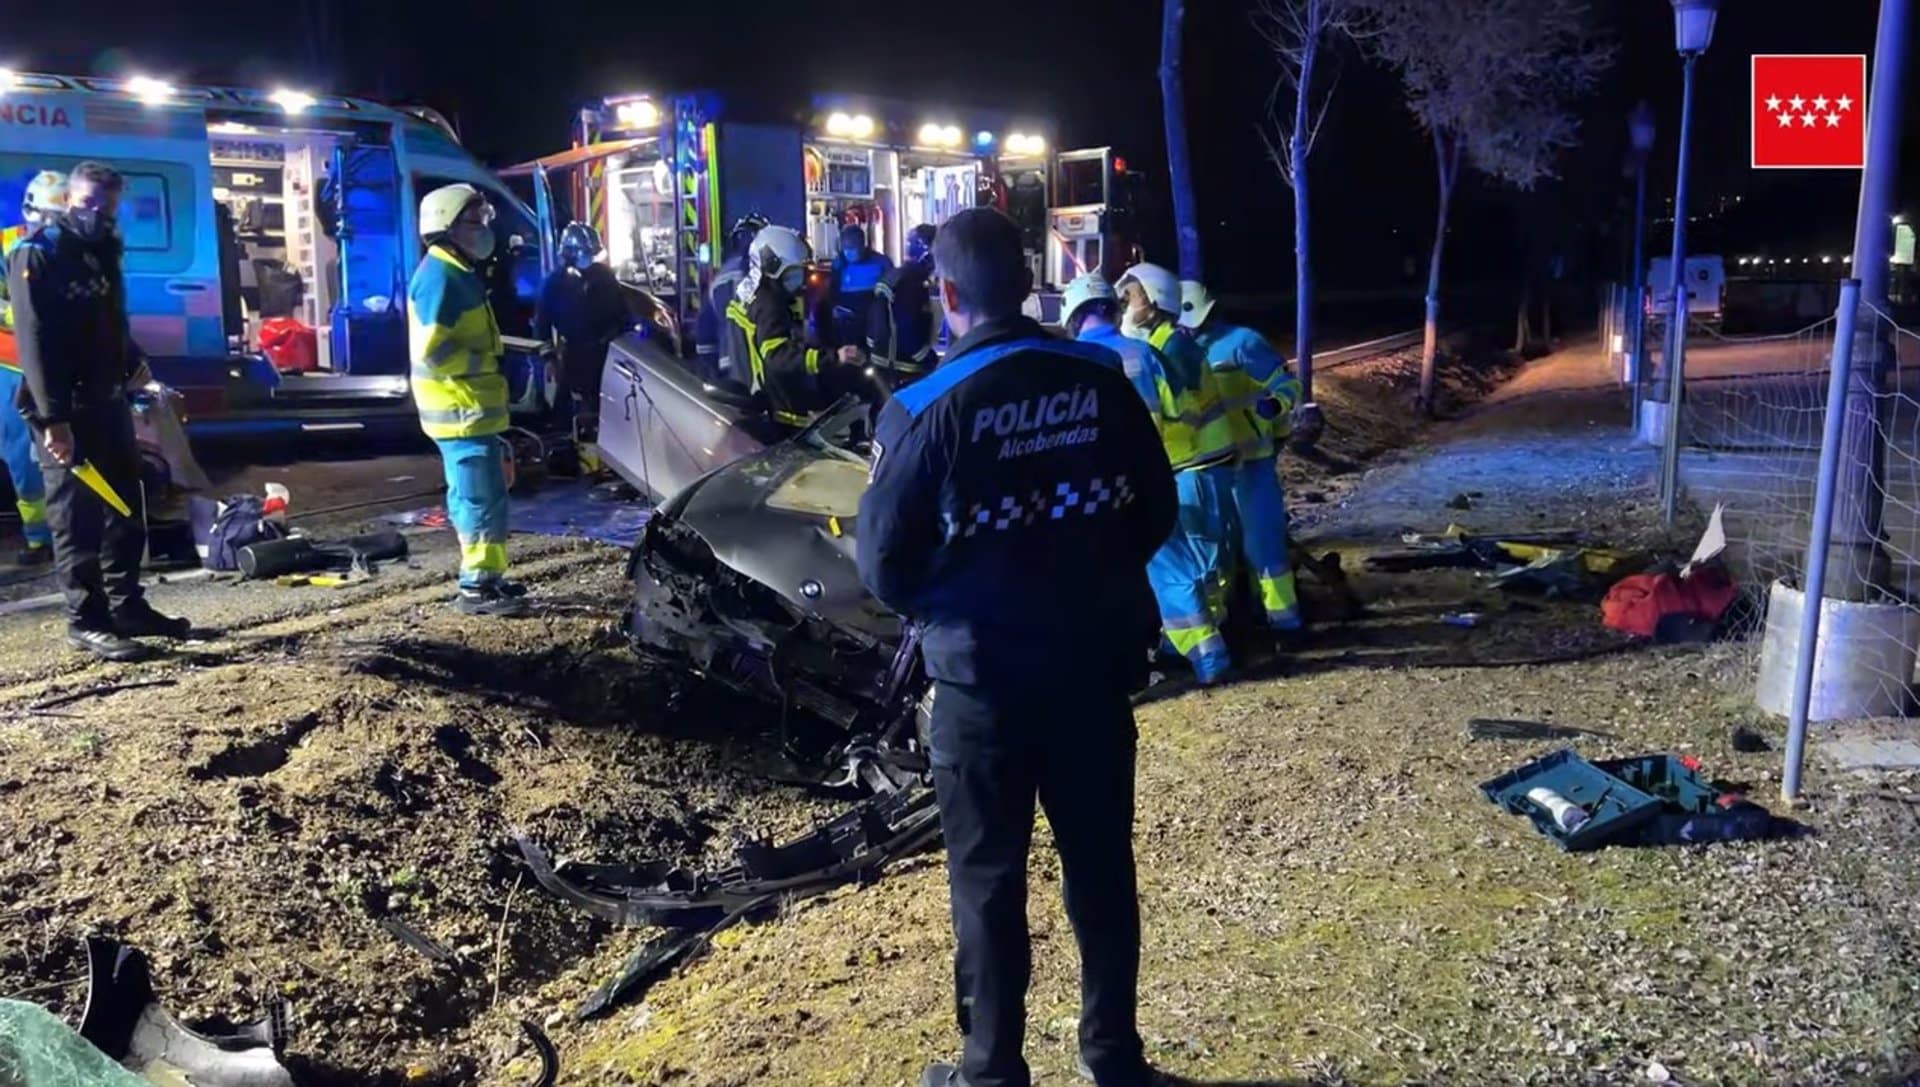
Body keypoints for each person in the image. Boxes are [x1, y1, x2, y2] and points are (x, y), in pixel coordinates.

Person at [856, 208, 1178, 1087]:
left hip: (982, 685)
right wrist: (1087, 579)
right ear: (1028, 281)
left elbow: (883, 565)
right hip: (1092, 669)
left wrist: (960, 607)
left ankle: (991, 1071)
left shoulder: (924, 407)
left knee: (989, 879)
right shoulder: (1102, 376)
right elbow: (1157, 509)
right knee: (1102, 866)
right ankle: (1114, 1055)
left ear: (948, 294)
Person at [7, 161, 191, 661]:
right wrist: (53, 421)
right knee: (76, 521)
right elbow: (35, 341)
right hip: (65, 411)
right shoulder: (36, 254)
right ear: (69, 200)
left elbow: (109, 321)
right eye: (87, 204)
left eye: (106, 206)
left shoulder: (100, 251)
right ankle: (86, 622)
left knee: (127, 510)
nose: (96, 214)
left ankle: (127, 606)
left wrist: (138, 369)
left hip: (108, 403)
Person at [1113, 262, 1239, 684]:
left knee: (1170, 567)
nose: (1123, 307)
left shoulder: (1164, 352)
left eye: (1129, 297)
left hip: (1189, 469)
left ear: (1154, 303)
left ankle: (1206, 654)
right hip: (1206, 468)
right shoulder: (1177, 344)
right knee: (1201, 568)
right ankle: (1180, 647)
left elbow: (1154, 422)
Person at [407, 183, 528, 618]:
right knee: (477, 499)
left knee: (486, 496)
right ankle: (475, 586)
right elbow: (433, 352)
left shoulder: (456, 271)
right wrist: (491, 358)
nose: (483, 229)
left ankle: (488, 579)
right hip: (459, 409)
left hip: (471, 410)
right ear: (445, 226)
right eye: (474, 221)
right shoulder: (440, 278)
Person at [1180, 279, 1304, 633]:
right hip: (1208, 469)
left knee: (1263, 547)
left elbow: (1287, 384)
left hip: (1252, 466)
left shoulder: (1242, 342)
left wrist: (1274, 406)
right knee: (1215, 553)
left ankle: (1286, 625)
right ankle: (1232, 626)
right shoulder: (1176, 349)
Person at [722, 224, 864, 429]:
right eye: (793, 272)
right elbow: (778, 356)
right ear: (772, 266)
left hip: (751, 401)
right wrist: (833, 357)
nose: (800, 278)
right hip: (776, 413)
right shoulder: (769, 303)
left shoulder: (747, 292)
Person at [0, 171, 67, 566]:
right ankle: (40, 537)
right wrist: (22, 311)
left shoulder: (78, 250)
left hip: (62, 366)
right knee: (22, 458)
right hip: (11, 366)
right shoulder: (8, 245)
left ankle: (72, 533)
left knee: (70, 452)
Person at [533, 222, 629, 418]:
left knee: (607, 406)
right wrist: (549, 358)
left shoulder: (605, 277)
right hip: (573, 354)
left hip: (606, 351)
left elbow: (622, 313)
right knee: (569, 409)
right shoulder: (555, 282)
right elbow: (542, 324)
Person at [693, 213, 767, 383]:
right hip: (762, 369)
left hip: (729, 367)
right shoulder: (767, 276)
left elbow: (704, 333)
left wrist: (710, 370)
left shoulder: (719, 278)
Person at [867, 222, 940, 377]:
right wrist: (930, 360)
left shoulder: (893, 277)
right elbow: (907, 328)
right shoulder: (912, 284)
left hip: (882, 364)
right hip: (904, 368)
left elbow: (873, 325)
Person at [828, 222, 892, 347]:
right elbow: (833, 289)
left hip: (874, 313)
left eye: (853, 246)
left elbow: (891, 288)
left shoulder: (881, 262)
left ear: (863, 245)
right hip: (847, 315)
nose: (850, 251)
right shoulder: (839, 264)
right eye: (847, 247)